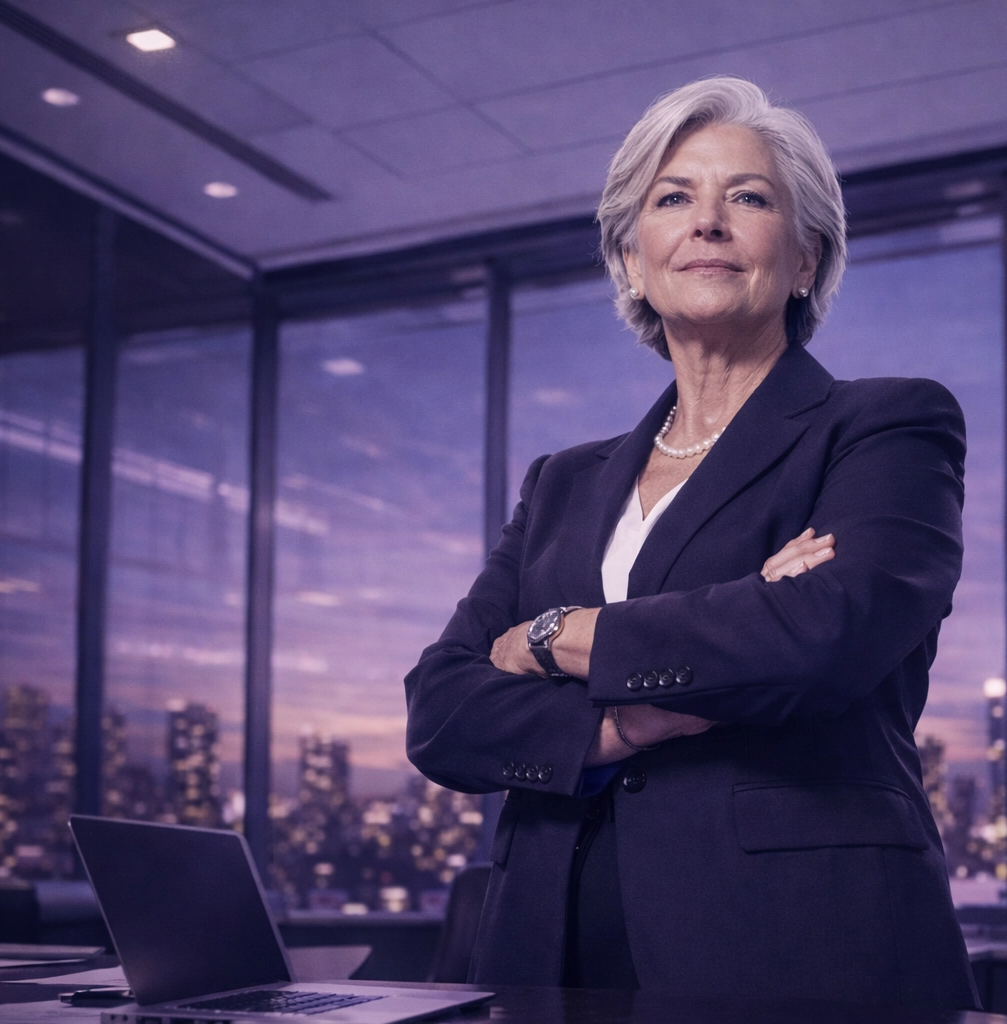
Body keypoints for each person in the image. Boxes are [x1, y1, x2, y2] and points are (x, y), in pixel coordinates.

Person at [404, 76, 977, 1010]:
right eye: (672, 198)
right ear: (634, 262)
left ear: (805, 260)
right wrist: (623, 721)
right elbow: (439, 711)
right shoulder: (562, 481)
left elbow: (822, 637)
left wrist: (549, 638)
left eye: (747, 198)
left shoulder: (886, 426)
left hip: (797, 948)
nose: (706, 221)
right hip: (548, 953)